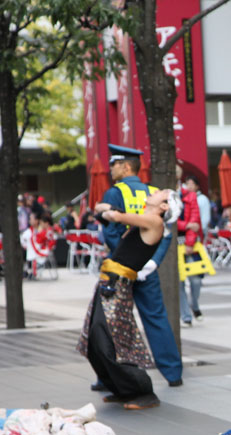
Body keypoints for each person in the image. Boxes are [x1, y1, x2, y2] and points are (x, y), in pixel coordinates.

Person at [79, 189, 180, 410]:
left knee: (113, 341)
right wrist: (107, 211)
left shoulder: (154, 222)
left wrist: (107, 210)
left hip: (117, 287)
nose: (155, 191)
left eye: (161, 193)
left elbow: (116, 217)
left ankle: (143, 393)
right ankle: (121, 389)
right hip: (109, 283)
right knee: (96, 339)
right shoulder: (147, 219)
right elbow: (113, 215)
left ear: (164, 207)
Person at [95, 144, 183, 387]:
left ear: (125, 166)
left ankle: (106, 378)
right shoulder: (154, 191)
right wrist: (151, 262)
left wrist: (125, 259)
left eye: (114, 164)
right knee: (156, 318)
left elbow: (112, 233)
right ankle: (173, 374)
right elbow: (166, 236)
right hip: (147, 269)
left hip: (121, 271)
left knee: (111, 323)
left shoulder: (115, 192)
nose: (111, 169)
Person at [177, 175, 205, 326]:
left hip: (191, 243)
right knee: (179, 282)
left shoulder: (190, 196)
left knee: (196, 280)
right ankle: (186, 315)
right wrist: (186, 225)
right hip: (174, 243)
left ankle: (194, 305)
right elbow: (170, 220)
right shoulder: (164, 196)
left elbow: (196, 220)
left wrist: (189, 242)